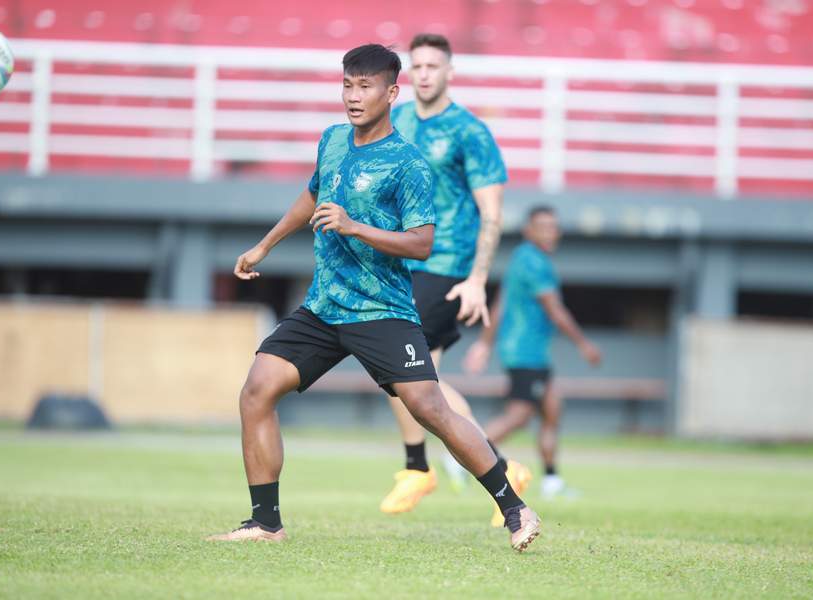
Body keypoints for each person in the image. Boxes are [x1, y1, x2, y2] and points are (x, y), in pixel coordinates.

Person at [208, 44, 540, 552]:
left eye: (365, 87)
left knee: (430, 410)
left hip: (381, 310)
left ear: (391, 93)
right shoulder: (332, 140)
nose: (353, 96)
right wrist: (264, 246)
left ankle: (515, 508)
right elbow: (312, 195)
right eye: (347, 85)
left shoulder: (409, 164)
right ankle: (265, 522)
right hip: (324, 308)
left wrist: (354, 226)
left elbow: (422, 242)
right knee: (257, 390)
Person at [379, 33, 531, 525]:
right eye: (417, 65)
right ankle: (505, 472)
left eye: (433, 66)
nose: (424, 74)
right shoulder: (396, 119)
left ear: (449, 71)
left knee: (399, 365)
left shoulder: (470, 131)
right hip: (402, 261)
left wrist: (478, 278)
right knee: (423, 381)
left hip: (448, 266)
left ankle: (417, 467)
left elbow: (493, 212)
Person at [464, 206, 602, 499]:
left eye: (554, 227)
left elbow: (500, 305)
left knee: (552, 409)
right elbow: (555, 310)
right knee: (519, 415)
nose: (550, 232)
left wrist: (485, 344)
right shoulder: (535, 263)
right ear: (528, 230)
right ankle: (462, 455)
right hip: (525, 352)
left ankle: (551, 480)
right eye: (543, 226)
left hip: (529, 352)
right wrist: (583, 344)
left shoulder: (520, 258)